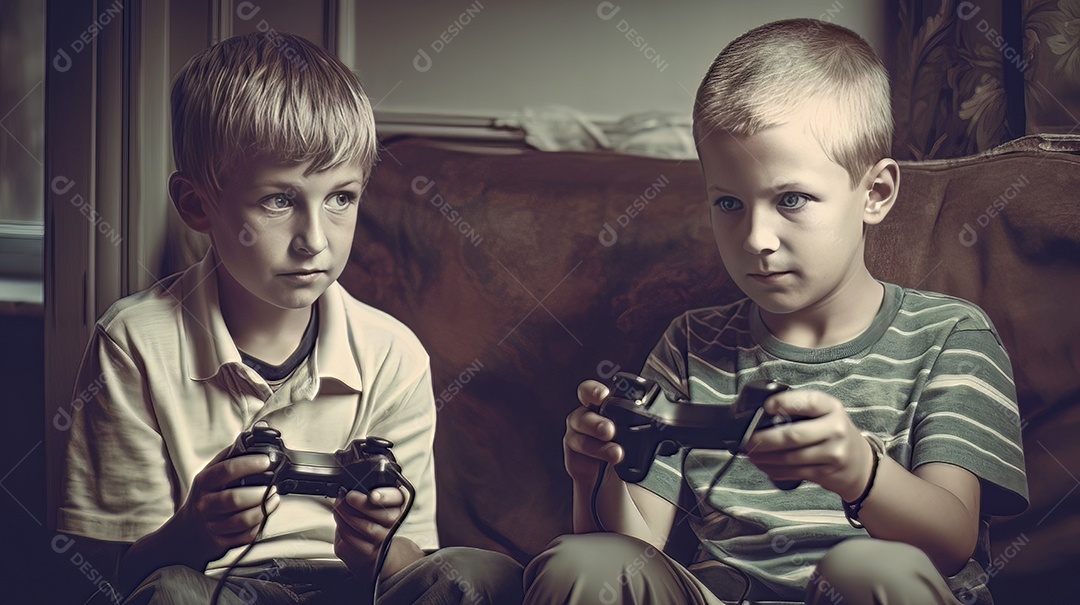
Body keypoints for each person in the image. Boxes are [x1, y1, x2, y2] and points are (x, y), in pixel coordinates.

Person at [524, 18, 1028, 605]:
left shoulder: (951, 335)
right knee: (583, 562)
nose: (756, 238)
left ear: (876, 193)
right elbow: (636, 551)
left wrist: (862, 475)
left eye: (792, 199)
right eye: (729, 204)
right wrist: (594, 476)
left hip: (877, 588)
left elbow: (951, 541)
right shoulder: (690, 342)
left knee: (865, 568)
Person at [57, 32, 523, 604]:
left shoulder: (392, 351)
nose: (315, 242)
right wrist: (191, 533)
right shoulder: (135, 343)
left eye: (341, 198)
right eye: (279, 200)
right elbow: (108, 577)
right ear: (198, 205)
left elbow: (413, 563)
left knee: (479, 575)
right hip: (219, 587)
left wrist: (382, 548)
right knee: (174, 593)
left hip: (354, 590)